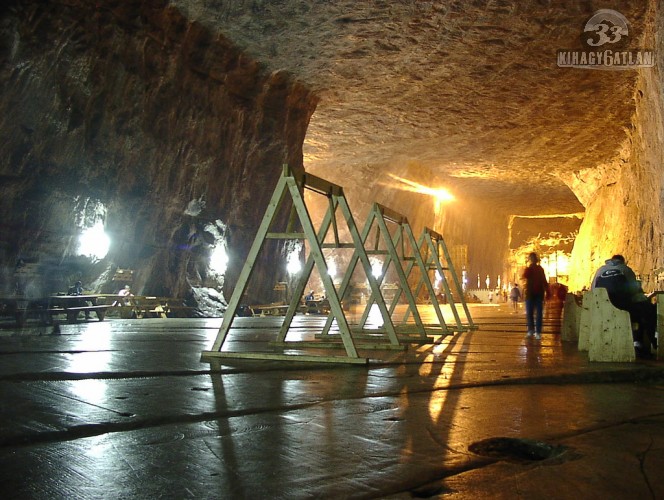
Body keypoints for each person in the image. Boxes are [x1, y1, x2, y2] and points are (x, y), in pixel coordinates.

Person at [591, 254, 656, 358]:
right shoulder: (626, 269)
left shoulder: (599, 271)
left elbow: (593, 290)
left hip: (601, 311)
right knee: (646, 310)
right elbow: (634, 292)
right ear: (623, 261)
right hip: (623, 309)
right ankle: (639, 343)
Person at [522, 252, 550, 339]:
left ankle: (536, 331)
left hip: (536, 294)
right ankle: (533, 331)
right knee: (532, 313)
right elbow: (525, 276)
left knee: (536, 314)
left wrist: (547, 291)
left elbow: (544, 280)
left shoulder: (539, 269)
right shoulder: (530, 269)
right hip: (532, 294)